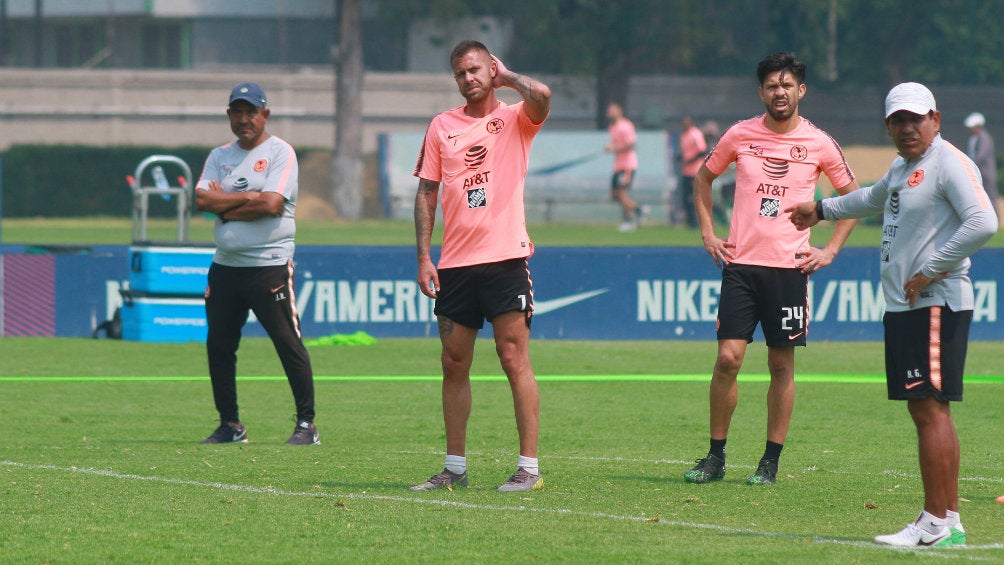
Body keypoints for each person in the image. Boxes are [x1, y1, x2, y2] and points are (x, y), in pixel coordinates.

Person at [788, 82, 997, 547]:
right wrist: (820, 209)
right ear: (888, 126)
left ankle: (936, 522)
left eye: (916, 118)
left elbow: (984, 221)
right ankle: (949, 520)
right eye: (898, 120)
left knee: (929, 408)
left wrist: (929, 269)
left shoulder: (948, 163)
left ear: (935, 120)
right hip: (909, 304)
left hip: (935, 300)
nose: (907, 127)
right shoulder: (905, 168)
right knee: (929, 409)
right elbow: (870, 199)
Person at [684, 52, 860, 486]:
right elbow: (702, 179)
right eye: (771, 86)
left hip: (788, 270)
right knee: (728, 359)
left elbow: (853, 197)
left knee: (781, 365)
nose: (778, 92)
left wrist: (831, 250)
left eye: (787, 85)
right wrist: (708, 234)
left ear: (801, 91)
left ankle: (770, 460)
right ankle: (715, 456)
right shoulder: (740, 134)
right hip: (741, 266)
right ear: (761, 92)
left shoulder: (819, 142)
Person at [411, 40, 551, 493]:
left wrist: (509, 77)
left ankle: (528, 467)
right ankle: (454, 468)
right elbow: (427, 192)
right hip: (455, 266)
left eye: (475, 70)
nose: (468, 79)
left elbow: (544, 96)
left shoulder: (515, 118)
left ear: (490, 69)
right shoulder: (441, 126)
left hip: (506, 258)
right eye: (460, 74)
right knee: (453, 362)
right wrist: (423, 257)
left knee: (513, 358)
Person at [193, 82, 319, 446]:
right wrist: (249, 195)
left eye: (251, 112)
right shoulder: (220, 155)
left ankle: (307, 425)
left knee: (286, 342)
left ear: (265, 115)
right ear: (229, 115)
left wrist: (226, 203)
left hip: (269, 266)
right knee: (219, 345)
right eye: (237, 112)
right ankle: (230, 425)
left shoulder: (281, 152)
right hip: (225, 266)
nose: (244, 119)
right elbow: (202, 201)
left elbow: (272, 204)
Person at [605, 102, 646, 231]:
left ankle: (628, 220)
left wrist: (615, 148)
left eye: (613, 110)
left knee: (622, 194)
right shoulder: (612, 127)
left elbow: (631, 144)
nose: (610, 113)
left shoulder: (626, 125)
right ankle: (638, 209)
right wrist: (610, 147)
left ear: (619, 110)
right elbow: (615, 143)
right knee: (614, 195)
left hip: (627, 165)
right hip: (618, 165)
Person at [964, 112, 999, 217]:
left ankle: (996, 218)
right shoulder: (972, 138)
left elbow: (981, 155)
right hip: (975, 171)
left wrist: (970, 164)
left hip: (986, 172)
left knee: (990, 195)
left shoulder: (985, 137)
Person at [678, 116, 708, 228]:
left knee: (694, 198)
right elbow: (686, 152)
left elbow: (702, 150)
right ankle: (690, 222)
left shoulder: (695, 134)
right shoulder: (684, 135)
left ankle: (696, 222)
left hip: (695, 170)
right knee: (686, 198)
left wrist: (690, 161)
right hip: (686, 171)